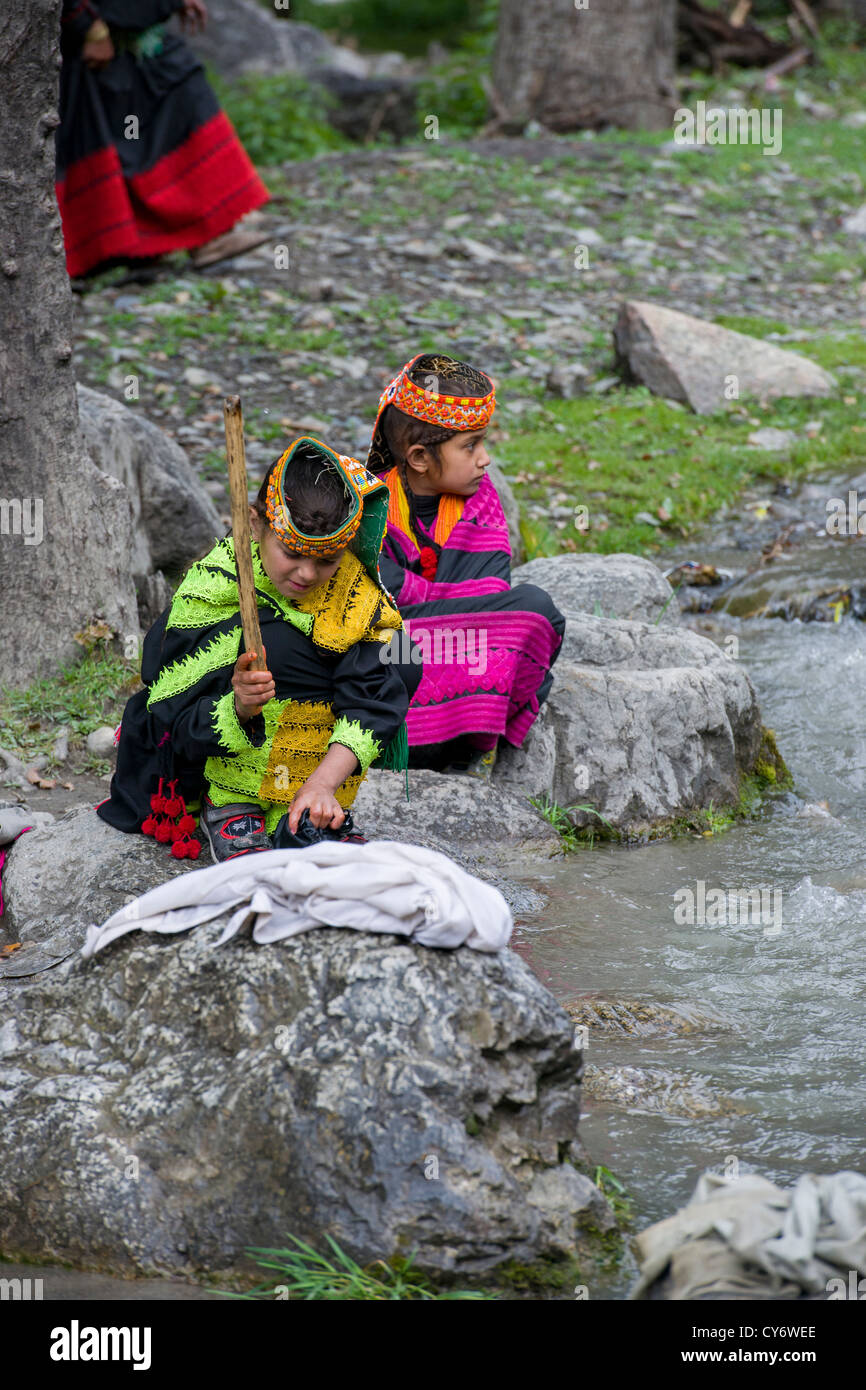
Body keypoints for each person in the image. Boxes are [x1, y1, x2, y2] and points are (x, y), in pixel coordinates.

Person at [97, 437, 420, 863]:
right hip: (212, 754)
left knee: (400, 656)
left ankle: (305, 802)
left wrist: (323, 784)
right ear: (254, 524)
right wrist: (239, 707)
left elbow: (372, 697)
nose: (308, 574)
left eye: (327, 561)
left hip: (312, 773)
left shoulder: (352, 593)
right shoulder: (216, 588)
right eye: (292, 553)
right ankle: (230, 801)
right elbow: (170, 701)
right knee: (280, 645)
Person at [367, 353, 565, 780]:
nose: (485, 458)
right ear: (419, 457)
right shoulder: (368, 509)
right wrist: (440, 609)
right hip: (397, 657)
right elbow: (370, 606)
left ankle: (469, 742)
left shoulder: (481, 499)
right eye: (471, 445)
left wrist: (424, 601)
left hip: (459, 643)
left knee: (536, 611)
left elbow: (488, 598)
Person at [57, 1, 270, 280]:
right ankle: (126, 250)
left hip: (137, 34)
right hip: (95, 33)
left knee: (179, 94)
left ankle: (207, 234)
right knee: (116, 132)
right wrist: (86, 25)